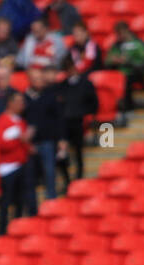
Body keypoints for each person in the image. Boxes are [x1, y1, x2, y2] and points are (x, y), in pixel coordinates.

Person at [0, 91, 34, 235]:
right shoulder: (2, 121)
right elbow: (1, 144)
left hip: (21, 165)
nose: (21, 105)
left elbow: (24, 145)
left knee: (19, 202)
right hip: (7, 168)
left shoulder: (21, 121)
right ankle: (2, 231)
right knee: (5, 203)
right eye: (18, 102)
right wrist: (18, 139)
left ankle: (16, 231)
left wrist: (27, 145)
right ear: (10, 103)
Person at [22, 66, 62, 201]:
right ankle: (32, 205)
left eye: (39, 79)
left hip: (47, 140)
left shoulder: (50, 95)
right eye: (34, 79)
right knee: (31, 175)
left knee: (49, 172)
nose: (37, 81)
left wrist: (62, 139)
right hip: (30, 143)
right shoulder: (24, 98)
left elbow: (59, 118)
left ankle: (51, 200)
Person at [56, 56, 98, 186]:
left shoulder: (86, 84)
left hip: (79, 122)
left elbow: (94, 103)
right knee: (62, 154)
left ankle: (79, 178)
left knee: (78, 151)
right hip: (64, 124)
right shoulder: (62, 85)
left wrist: (87, 116)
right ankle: (68, 181)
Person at [105, 21, 144, 110]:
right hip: (118, 73)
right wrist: (114, 60)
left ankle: (128, 107)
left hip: (134, 72)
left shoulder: (137, 44)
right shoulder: (116, 45)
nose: (119, 36)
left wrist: (128, 61)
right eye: (118, 34)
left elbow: (143, 61)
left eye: (121, 33)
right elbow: (107, 60)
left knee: (125, 81)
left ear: (127, 31)